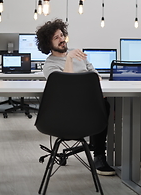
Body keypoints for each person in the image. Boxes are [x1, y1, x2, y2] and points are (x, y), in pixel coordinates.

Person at [35, 18, 116, 176]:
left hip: (89, 105)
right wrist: (69, 59)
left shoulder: (78, 54)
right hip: (68, 113)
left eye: (61, 35)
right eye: (56, 37)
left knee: (126, 102)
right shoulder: (50, 65)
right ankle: (99, 155)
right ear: (48, 44)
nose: (61, 39)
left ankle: (133, 151)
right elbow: (66, 87)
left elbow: (96, 77)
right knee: (104, 106)